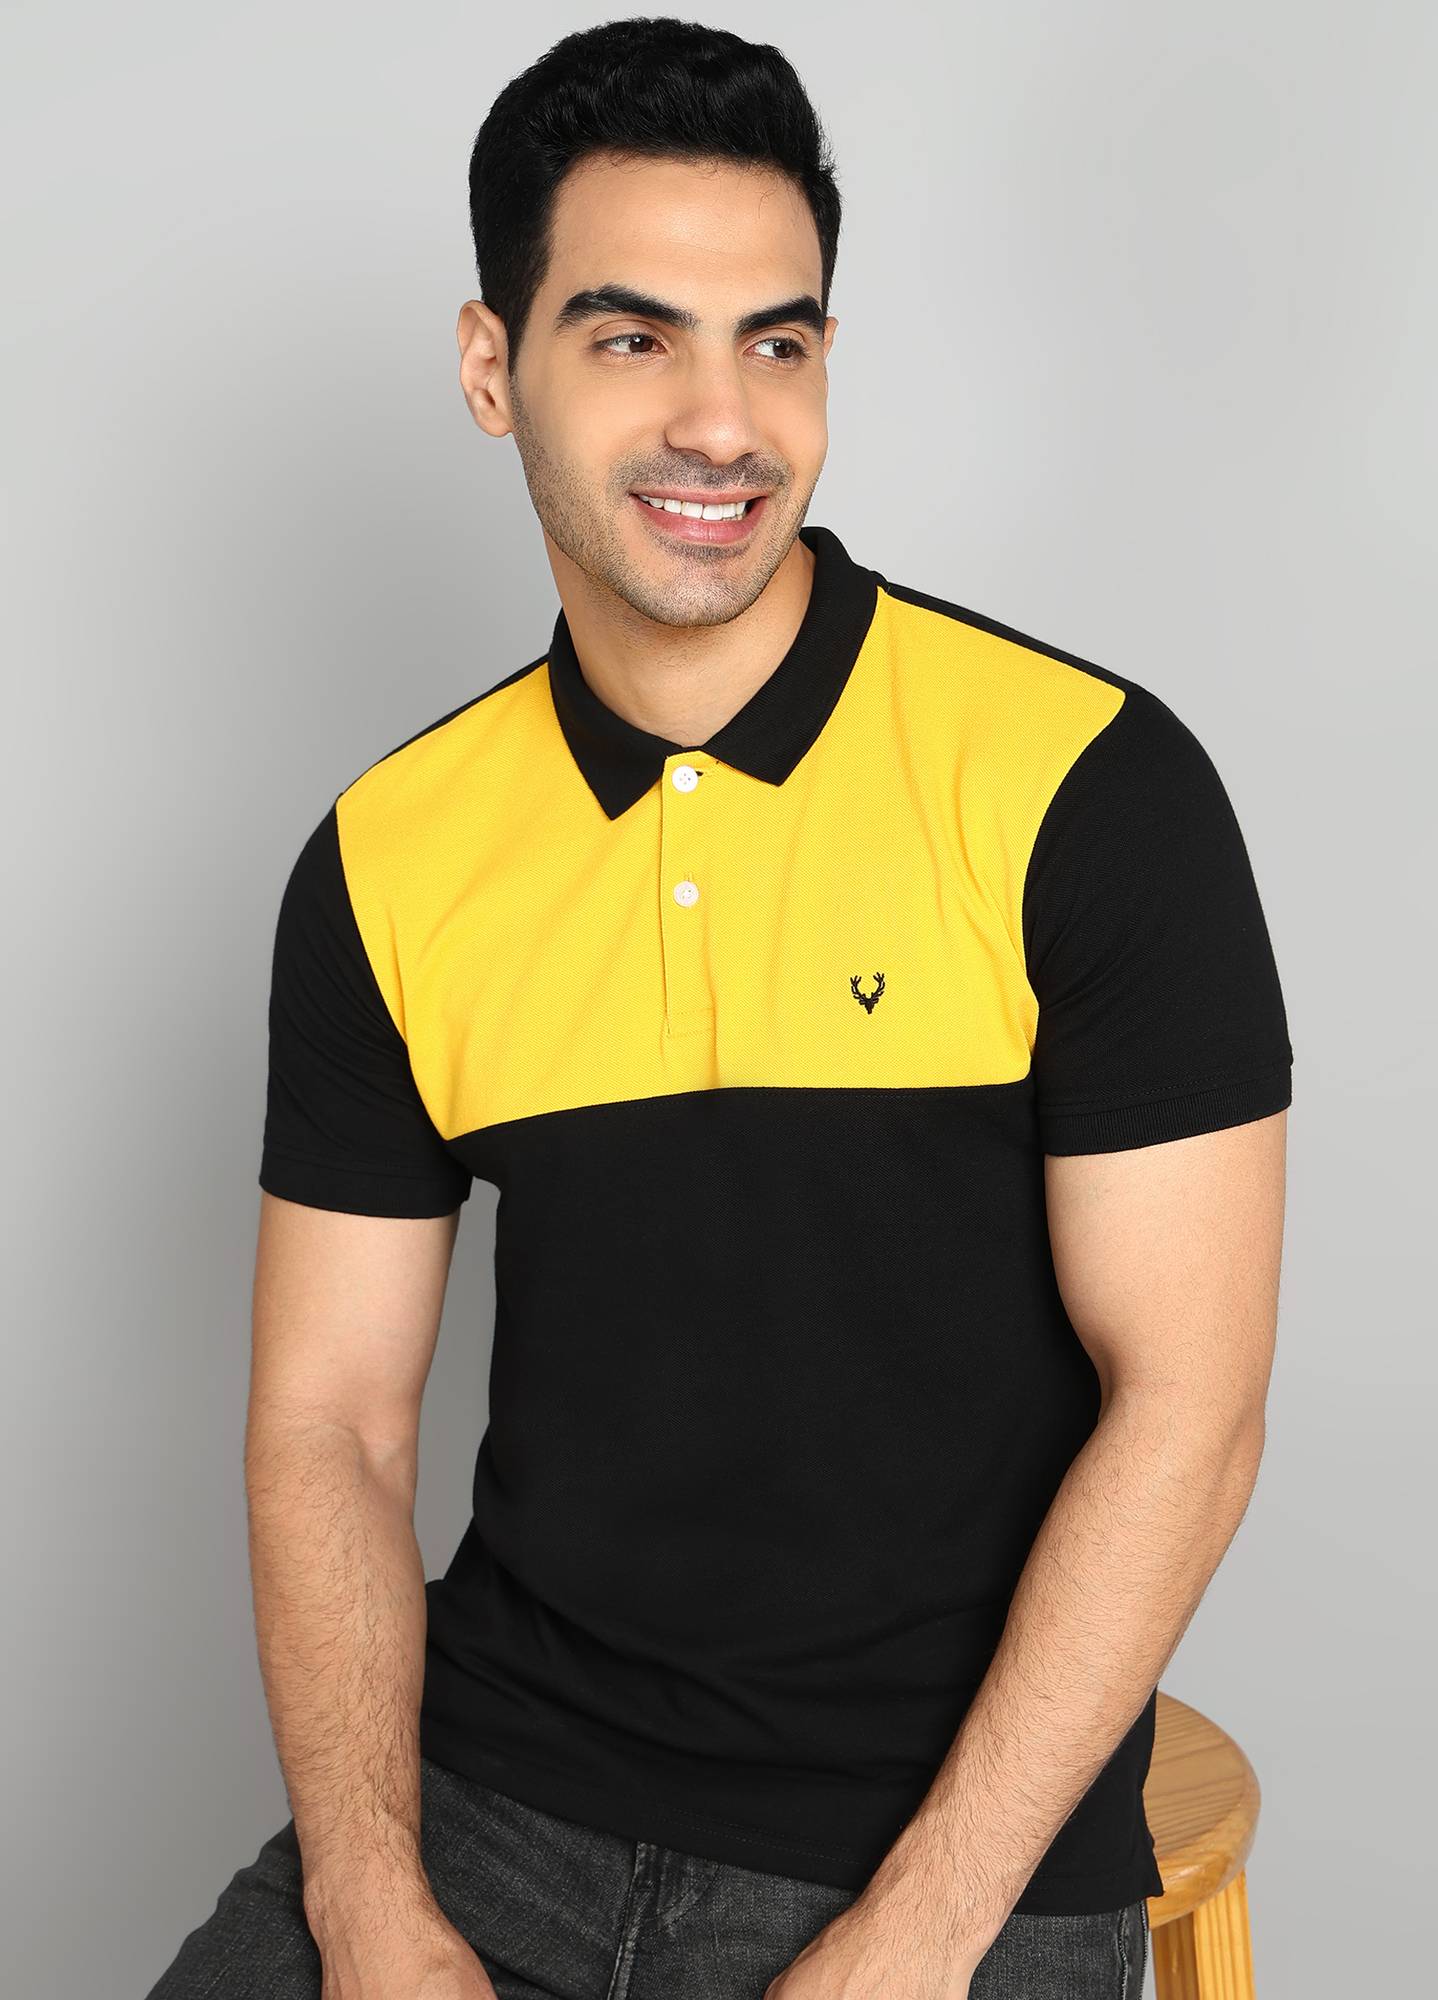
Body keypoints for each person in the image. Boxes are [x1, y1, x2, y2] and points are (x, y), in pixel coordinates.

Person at [146, 16, 1291, 1999]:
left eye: (779, 343)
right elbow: (329, 1424)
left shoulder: (1087, 787)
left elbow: (1190, 1409)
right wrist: (369, 1896)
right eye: (631, 337)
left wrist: (920, 1932)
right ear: (491, 368)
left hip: (945, 1843)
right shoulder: (389, 859)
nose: (722, 423)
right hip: (488, 1805)